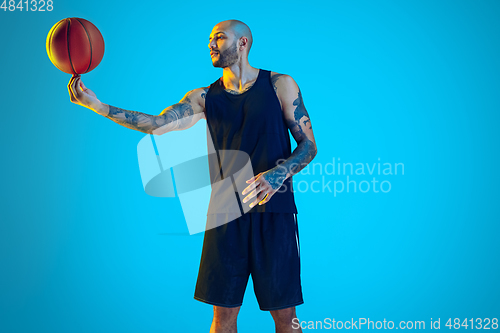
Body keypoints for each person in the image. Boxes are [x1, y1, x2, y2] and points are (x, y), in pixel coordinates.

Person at [68, 19, 317, 333]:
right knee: (222, 317)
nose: (211, 44)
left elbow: (309, 146)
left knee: (285, 317)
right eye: (210, 39)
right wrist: (100, 106)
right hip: (225, 214)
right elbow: (158, 124)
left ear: (242, 43)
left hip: (274, 213)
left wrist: (278, 174)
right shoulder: (203, 97)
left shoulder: (280, 84)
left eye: (219, 37)